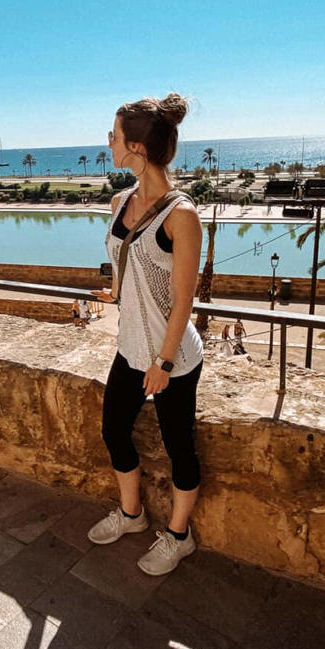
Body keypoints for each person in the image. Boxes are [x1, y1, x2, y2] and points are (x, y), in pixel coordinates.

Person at [88, 92, 204, 576]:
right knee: (113, 430)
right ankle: (132, 516)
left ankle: (180, 536)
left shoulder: (182, 215)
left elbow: (183, 300)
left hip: (171, 357)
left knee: (180, 447)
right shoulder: (120, 202)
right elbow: (126, 265)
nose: (108, 144)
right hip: (130, 349)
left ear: (135, 146)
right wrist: (115, 294)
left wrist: (164, 363)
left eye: (113, 137)